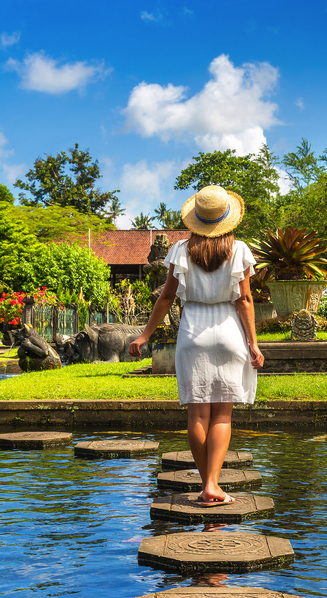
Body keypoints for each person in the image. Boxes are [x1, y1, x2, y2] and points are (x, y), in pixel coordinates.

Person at [129, 185, 264, 506]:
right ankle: (213, 485)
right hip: (229, 332)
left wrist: (145, 335)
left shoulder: (179, 249)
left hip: (192, 332)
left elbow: (165, 297)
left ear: (196, 220)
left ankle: (208, 485)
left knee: (197, 414)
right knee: (223, 415)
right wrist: (254, 344)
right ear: (227, 218)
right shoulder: (240, 249)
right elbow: (245, 300)